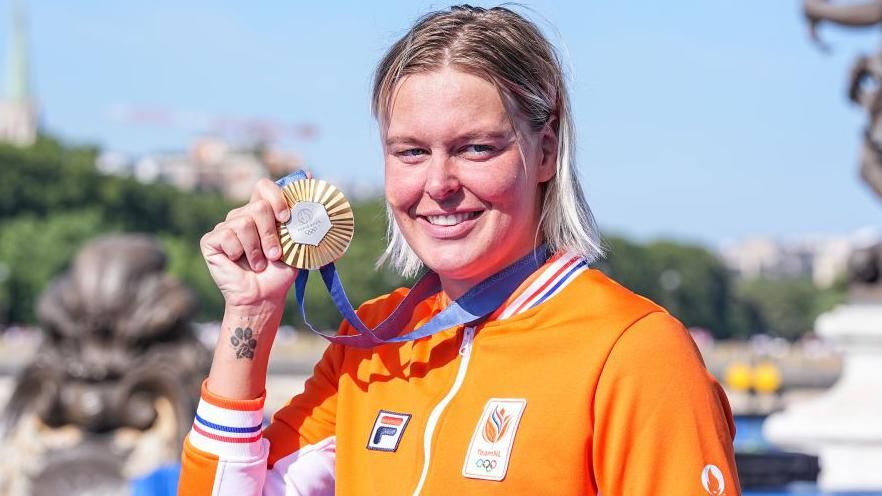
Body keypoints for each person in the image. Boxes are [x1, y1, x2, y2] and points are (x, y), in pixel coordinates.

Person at [178, 5, 740, 495]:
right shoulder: (370, 346)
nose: (439, 184)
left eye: (475, 148)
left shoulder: (635, 351)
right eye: (412, 151)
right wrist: (250, 314)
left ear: (545, 152)